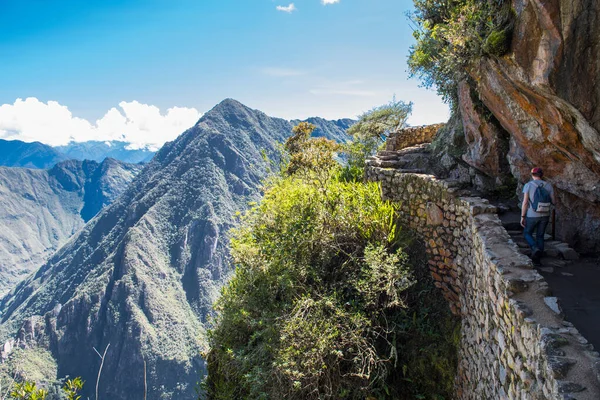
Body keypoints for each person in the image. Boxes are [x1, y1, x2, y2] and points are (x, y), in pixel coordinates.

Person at [521, 167, 556, 263]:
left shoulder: (528, 185)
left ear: (532, 175)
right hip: (545, 214)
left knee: (527, 233)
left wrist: (523, 216)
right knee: (540, 236)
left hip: (532, 214)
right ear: (542, 175)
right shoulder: (548, 185)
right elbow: (554, 201)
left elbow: (525, 203)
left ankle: (535, 248)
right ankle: (538, 259)